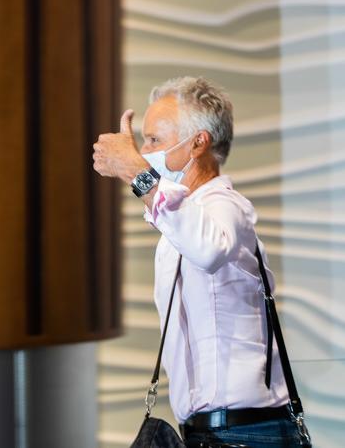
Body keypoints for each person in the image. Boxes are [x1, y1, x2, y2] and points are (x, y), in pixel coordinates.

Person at [92, 76, 307, 447]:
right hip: (211, 432)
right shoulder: (185, 217)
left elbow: (206, 248)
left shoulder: (225, 205)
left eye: (154, 140)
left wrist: (134, 173)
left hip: (246, 434)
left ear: (197, 143)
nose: (144, 151)